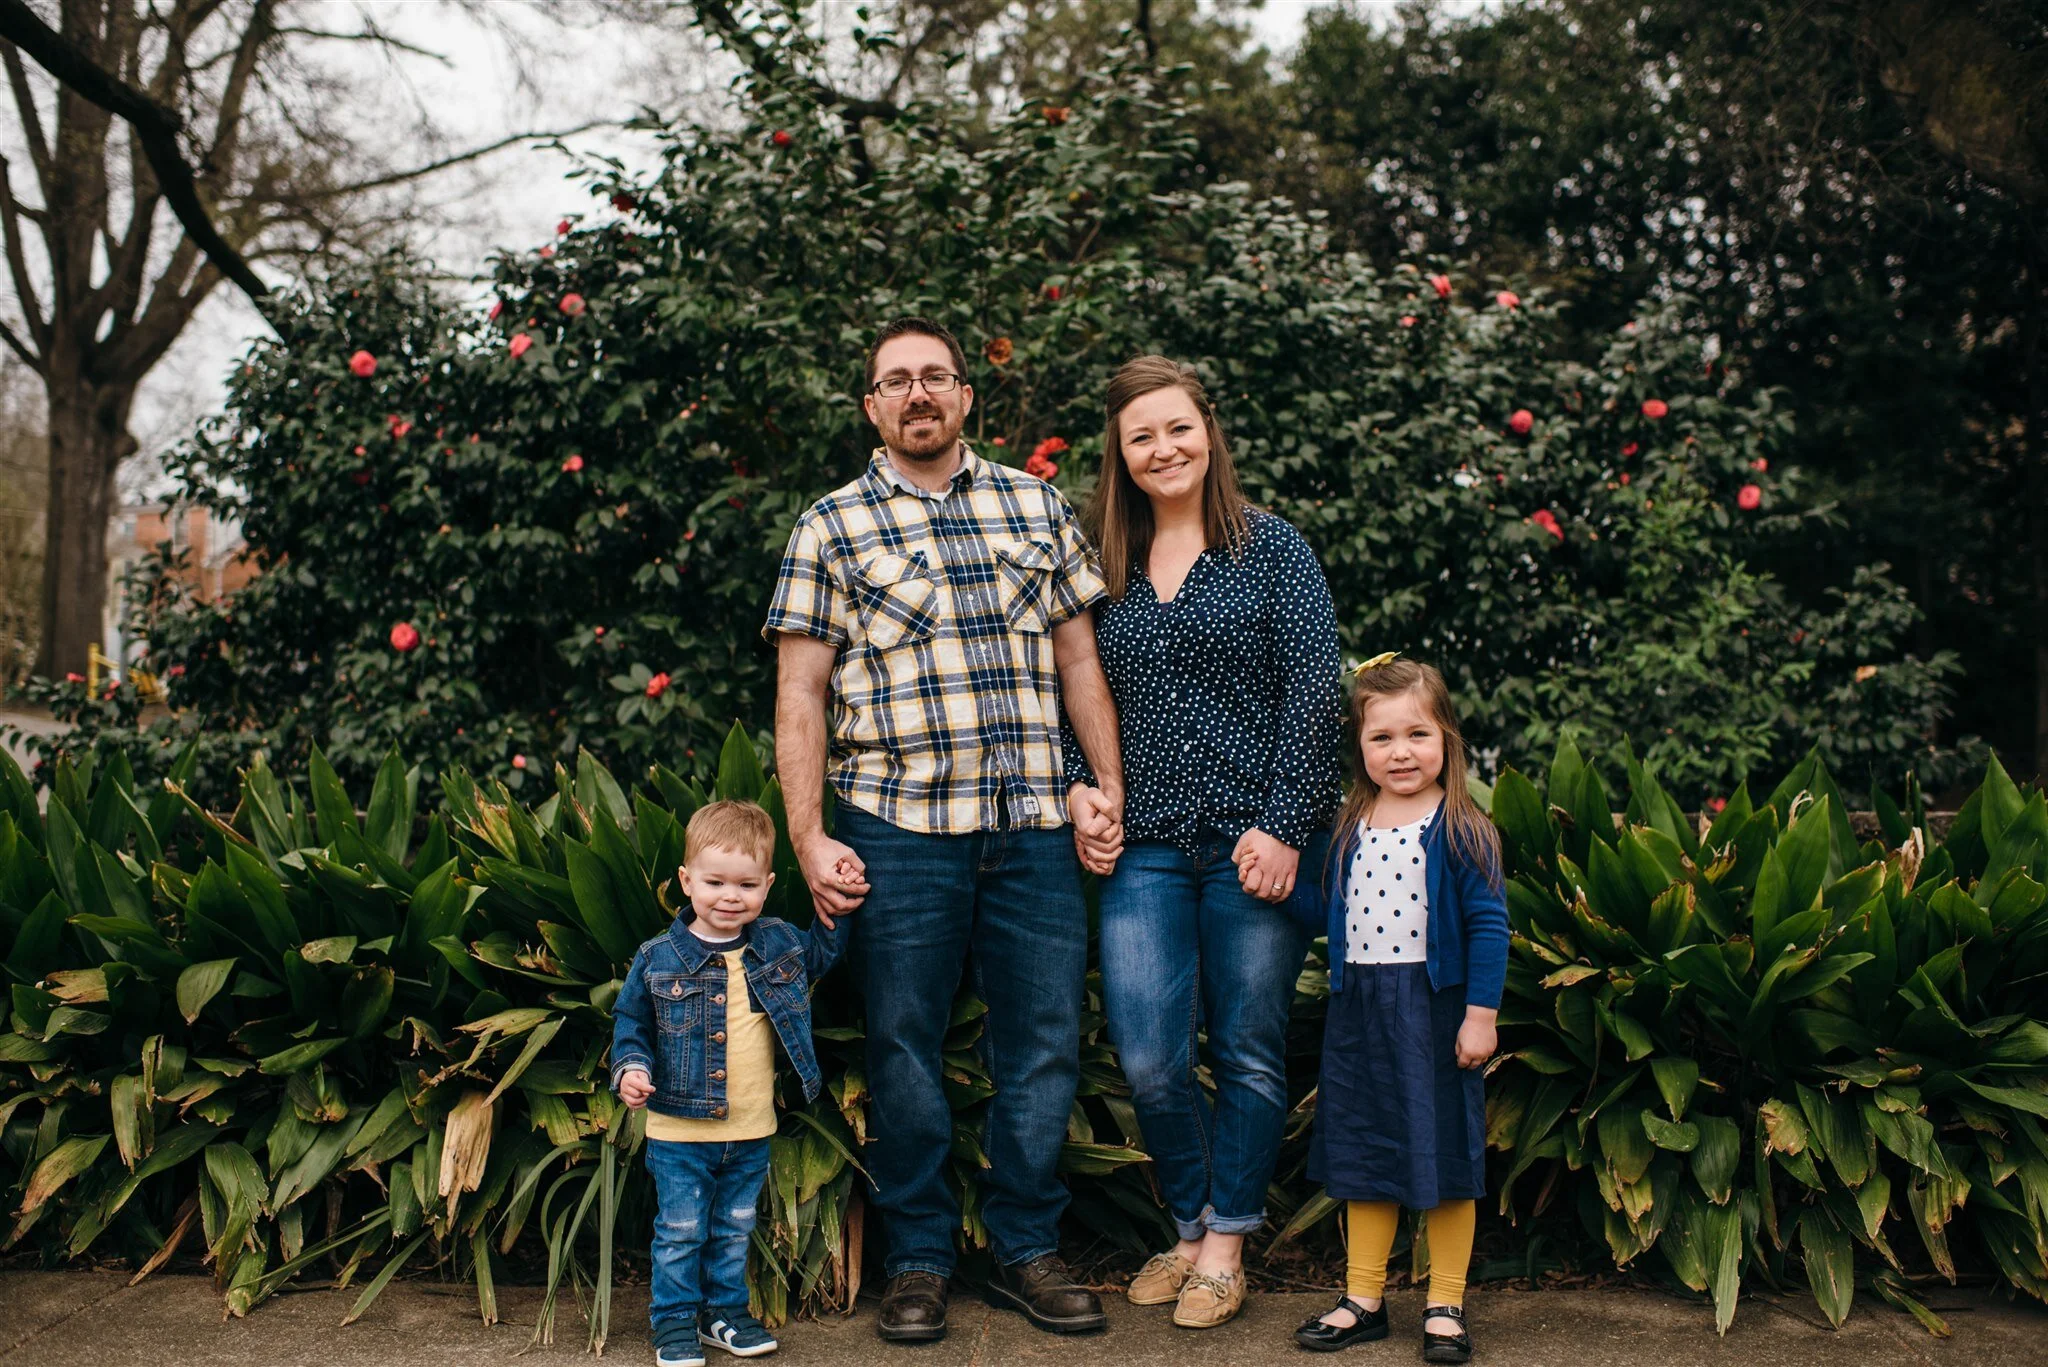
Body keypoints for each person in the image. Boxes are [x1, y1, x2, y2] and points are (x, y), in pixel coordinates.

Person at [763, 317, 1127, 1343]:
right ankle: (918, 1256)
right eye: (895, 381)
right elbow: (799, 694)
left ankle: (1024, 1247)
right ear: (871, 406)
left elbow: (1078, 661)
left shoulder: (1032, 501)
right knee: (904, 1044)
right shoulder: (828, 526)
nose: (917, 393)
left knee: (1045, 1042)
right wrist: (805, 837)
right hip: (898, 830)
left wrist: (1104, 783)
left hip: (1033, 831)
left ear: (965, 395)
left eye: (934, 376)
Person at [1065, 355, 1342, 1330]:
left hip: (1250, 844)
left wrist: (1281, 823)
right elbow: (1072, 689)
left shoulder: (1270, 549)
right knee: (1145, 1052)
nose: (1162, 448)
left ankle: (1224, 1242)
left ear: (1208, 432)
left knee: (1250, 1047)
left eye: (1176, 427)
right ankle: (1184, 1224)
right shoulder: (1095, 564)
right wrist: (1075, 784)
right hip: (1143, 846)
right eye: (1140, 435)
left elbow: (1315, 690)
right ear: (1120, 453)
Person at [1285, 656, 1507, 1363]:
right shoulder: (1352, 822)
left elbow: (1489, 926)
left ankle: (1445, 1302)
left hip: (1435, 1010)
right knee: (1365, 1151)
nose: (1401, 751)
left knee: (1445, 1153)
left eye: (1417, 733)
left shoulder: (1462, 826)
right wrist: (1275, 881)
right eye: (1381, 738)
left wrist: (1480, 1013)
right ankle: (1364, 1297)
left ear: (1447, 738)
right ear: (1360, 747)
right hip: (1361, 1013)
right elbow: (1326, 908)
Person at [610, 799, 850, 1366]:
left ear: (767, 885)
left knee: (734, 1228)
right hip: (679, 1130)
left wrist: (837, 897)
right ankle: (672, 1322)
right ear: (686, 881)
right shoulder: (658, 958)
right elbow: (631, 1023)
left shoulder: (776, 944)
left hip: (750, 1128)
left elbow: (823, 953)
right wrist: (632, 1070)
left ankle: (724, 1314)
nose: (729, 896)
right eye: (714, 881)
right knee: (681, 1230)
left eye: (745, 884)